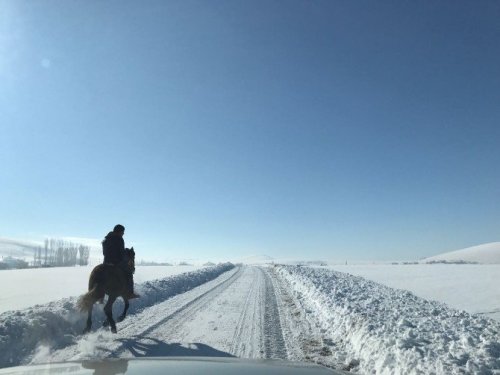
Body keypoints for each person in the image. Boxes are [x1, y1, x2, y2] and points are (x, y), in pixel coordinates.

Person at [102, 224, 139, 299]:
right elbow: (121, 254)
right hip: (115, 262)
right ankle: (130, 293)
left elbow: (104, 252)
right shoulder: (119, 239)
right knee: (129, 273)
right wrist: (126, 252)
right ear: (119, 232)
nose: (123, 234)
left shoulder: (106, 239)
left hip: (106, 262)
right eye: (123, 232)